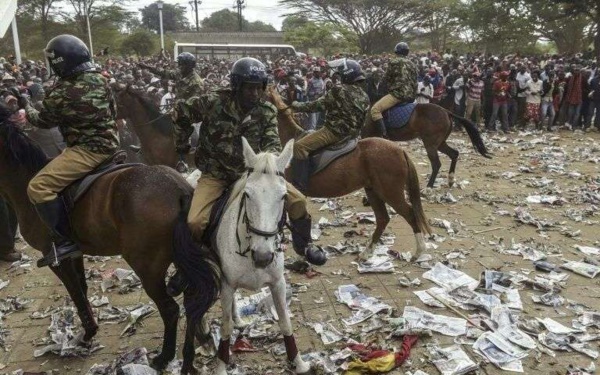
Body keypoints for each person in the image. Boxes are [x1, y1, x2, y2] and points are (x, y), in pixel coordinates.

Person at [174, 57, 327, 270]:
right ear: (236, 86)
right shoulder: (212, 103)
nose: (255, 94)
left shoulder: (266, 111)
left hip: (252, 175)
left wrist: (272, 163)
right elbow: (180, 112)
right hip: (216, 174)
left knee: (299, 201)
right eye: (249, 88)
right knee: (194, 222)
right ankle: (196, 264)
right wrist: (181, 143)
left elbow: (273, 144)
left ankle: (304, 245)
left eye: (259, 88)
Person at [21, 34, 120, 268]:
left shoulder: (61, 92)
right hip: (111, 144)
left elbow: (42, 120)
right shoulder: (101, 79)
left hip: (86, 151)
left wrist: (26, 104)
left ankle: (66, 241)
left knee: (38, 187)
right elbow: (113, 111)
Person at [289, 59, 370, 191]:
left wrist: (296, 105)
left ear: (346, 75)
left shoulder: (338, 90)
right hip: (354, 135)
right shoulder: (364, 95)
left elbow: (316, 105)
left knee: (299, 146)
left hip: (333, 133)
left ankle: (299, 185)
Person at [139, 53, 204, 159]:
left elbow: (195, 103)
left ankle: (183, 158)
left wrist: (178, 109)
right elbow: (164, 73)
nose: (179, 67)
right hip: (178, 109)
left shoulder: (196, 82)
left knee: (181, 130)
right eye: (179, 65)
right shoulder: (180, 73)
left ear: (189, 66)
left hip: (190, 112)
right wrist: (147, 67)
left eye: (181, 65)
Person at [369, 42, 418, 137]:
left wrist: (380, 90)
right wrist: (412, 95)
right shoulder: (412, 64)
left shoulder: (393, 62)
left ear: (396, 51)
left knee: (375, 109)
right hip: (410, 96)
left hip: (397, 95)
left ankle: (384, 134)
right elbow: (415, 82)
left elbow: (385, 79)